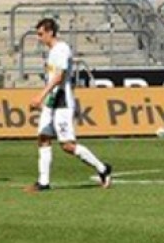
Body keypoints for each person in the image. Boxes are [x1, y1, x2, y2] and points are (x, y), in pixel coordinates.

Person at [24, 18, 113, 192]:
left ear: (50, 32)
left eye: (41, 34)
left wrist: (41, 96)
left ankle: (103, 169)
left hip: (62, 102)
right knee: (43, 138)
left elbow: (59, 77)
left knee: (67, 145)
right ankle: (43, 182)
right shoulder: (52, 52)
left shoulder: (62, 49)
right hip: (52, 101)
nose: (39, 38)